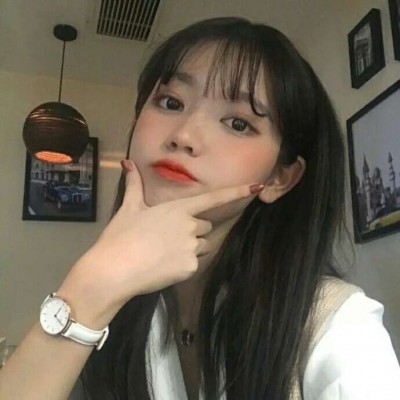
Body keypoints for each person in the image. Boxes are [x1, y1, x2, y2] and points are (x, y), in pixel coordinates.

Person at [1, 17, 399, 400]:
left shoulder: (337, 328)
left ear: (280, 177)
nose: (185, 135)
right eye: (170, 101)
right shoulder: (121, 305)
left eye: (238, 123)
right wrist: (91, 287)